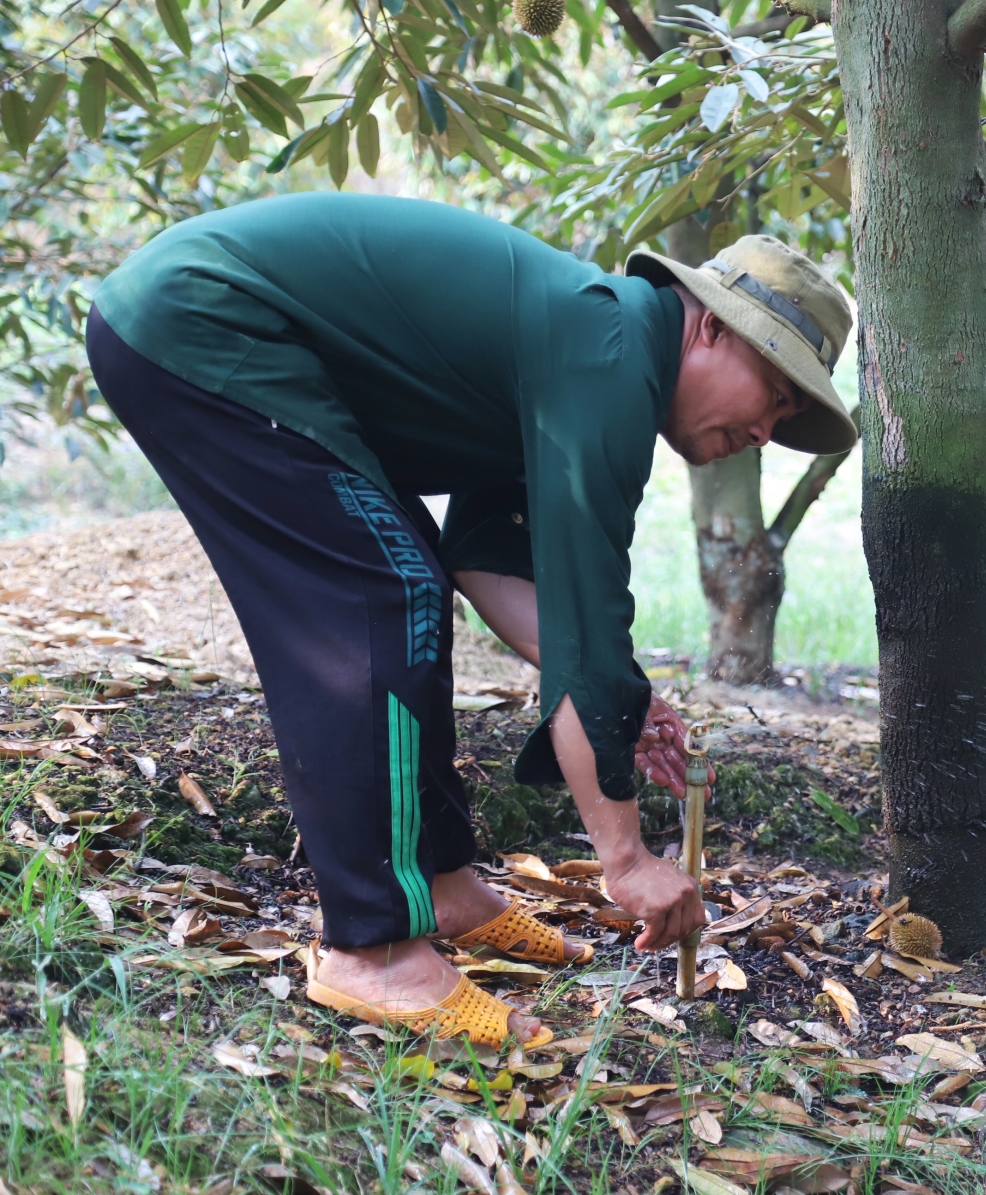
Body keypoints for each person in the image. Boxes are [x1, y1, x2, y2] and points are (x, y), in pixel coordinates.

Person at [86, 192, 857, 1049]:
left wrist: (623, 704)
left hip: (209, 322)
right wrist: (629, 860)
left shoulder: (588, 350)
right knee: (377, 588)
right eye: (776, 395)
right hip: (203, 319)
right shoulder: (611, 355)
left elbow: (494, 570)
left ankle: (440, 883)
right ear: (713, 328)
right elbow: (588, 625)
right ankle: (373, 947)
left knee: (407, 570)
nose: (765, 430)